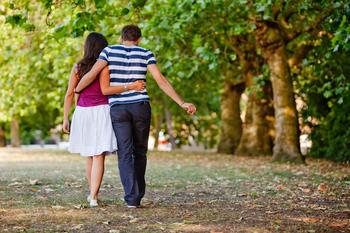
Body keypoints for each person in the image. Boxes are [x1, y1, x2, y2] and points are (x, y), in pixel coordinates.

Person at [75, 25, 197, 208]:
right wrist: (181, 102)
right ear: (138, 39)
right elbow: (160, 80)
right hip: (140, 106)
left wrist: (77, 89)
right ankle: (137, 196)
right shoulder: (146, 53)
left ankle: (131, 198)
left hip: (118, 108)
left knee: (124, 153)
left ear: (120, 37)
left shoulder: (108, 52)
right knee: (140, 152)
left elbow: (92, 74)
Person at [63, 32, 145, 207]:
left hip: (82, 112)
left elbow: (70, 93)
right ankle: (93, 196)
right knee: (98, 155)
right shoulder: (105, 66)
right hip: (101, 111)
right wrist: (130, 86)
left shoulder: (77, 67)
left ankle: (92, 194)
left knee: (89, 156)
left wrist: (65, 118)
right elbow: (106, 90)